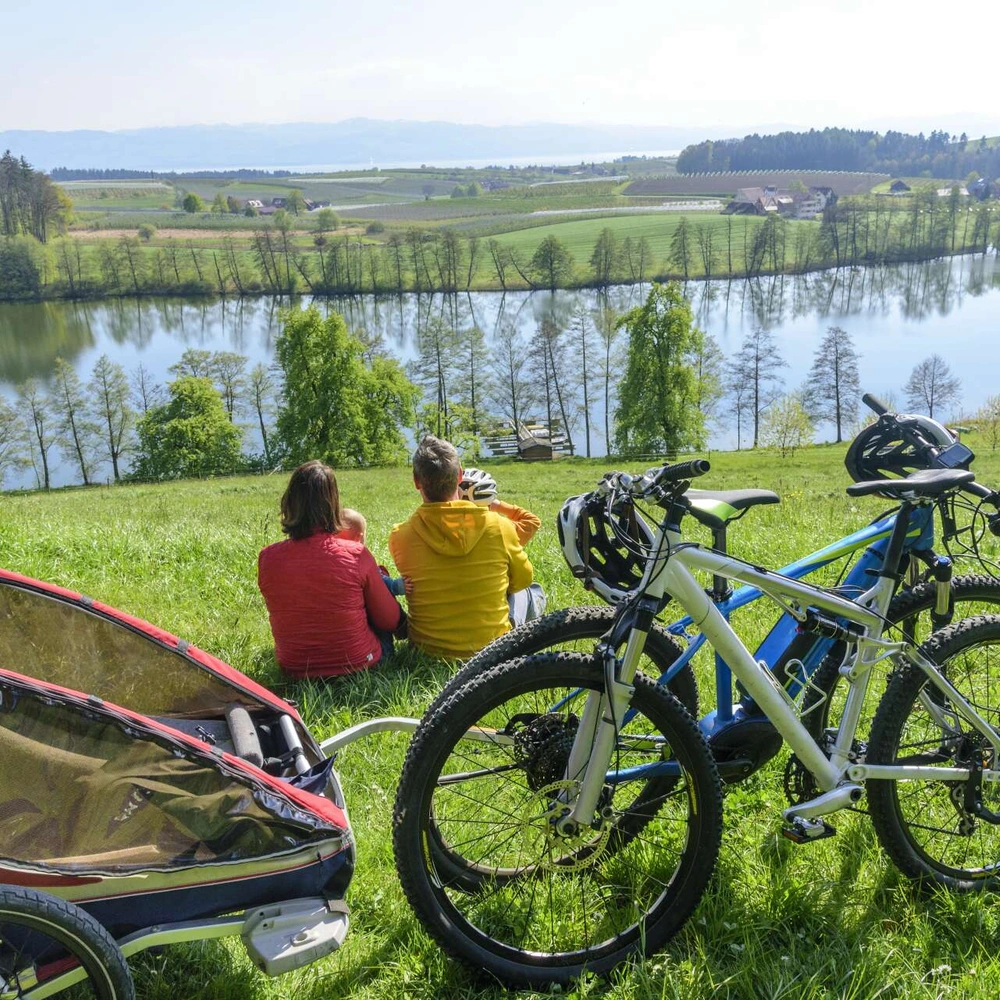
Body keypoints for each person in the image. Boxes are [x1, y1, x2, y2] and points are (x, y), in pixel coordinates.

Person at [389, 436, 543, 660]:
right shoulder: (500, 527)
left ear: (416, 481)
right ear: (460, 475)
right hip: (492, 649)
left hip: (427, 650)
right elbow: (522, 581)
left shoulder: (400, 536)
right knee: (533, 591)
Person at [258, 461, 403, 677]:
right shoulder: (356, 554)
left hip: (294, 667)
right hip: (358, 664)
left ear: (289, 502)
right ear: (332, 504)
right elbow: (389, 620)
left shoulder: (267, 558)